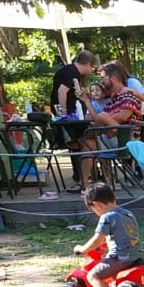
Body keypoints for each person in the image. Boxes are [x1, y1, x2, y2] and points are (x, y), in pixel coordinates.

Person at [73, 182, 141, 287]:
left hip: (120, 258)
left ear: (96, 205)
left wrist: (82, 249)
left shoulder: (107, 217)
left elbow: (97, 239)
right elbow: (123, 234)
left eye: (92, 209)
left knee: (92, 275)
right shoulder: (127, 213)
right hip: (136, 255)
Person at [52, 49, 99, 190]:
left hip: (74, 114)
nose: (91, 71)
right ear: (88, 64)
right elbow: (62, 90)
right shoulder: (72, 72)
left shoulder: (72, 72)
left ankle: (84, 177)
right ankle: (85, 179)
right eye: (92, 68)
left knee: (85, 142)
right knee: (88, 141)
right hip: (71, 116)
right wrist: (64, 113)